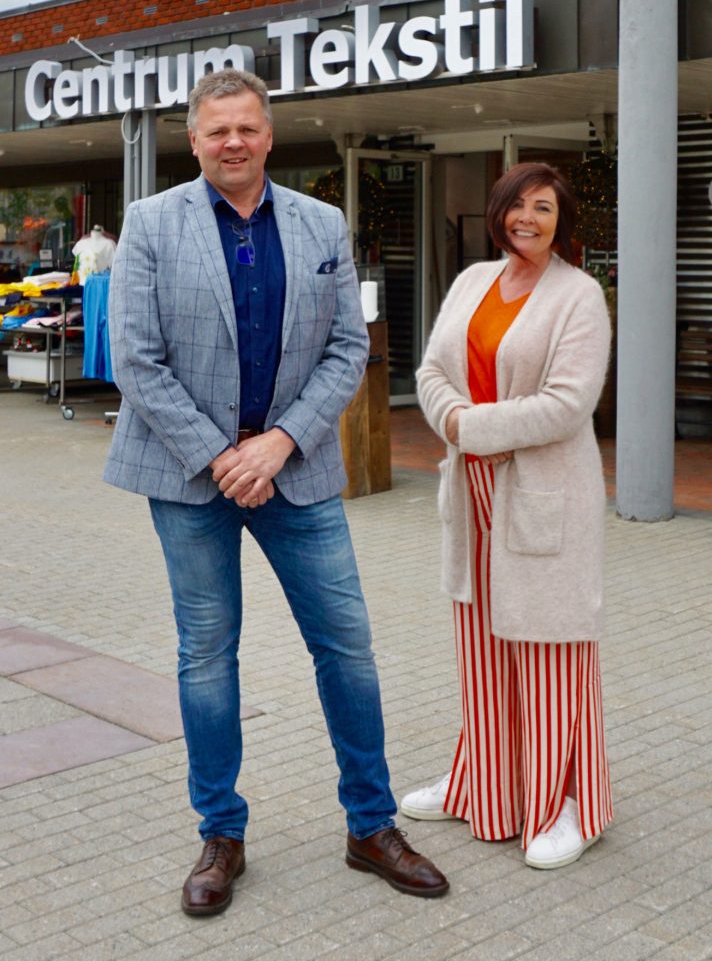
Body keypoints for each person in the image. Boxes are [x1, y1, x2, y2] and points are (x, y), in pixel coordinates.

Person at [104, 67, 448, 915]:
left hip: (297, 472)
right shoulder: (151, 222)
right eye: (217, 129)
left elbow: (347, 349)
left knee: (347, 648)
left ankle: (371, 826)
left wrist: (280, 442)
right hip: (189, 477)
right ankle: (220, 835)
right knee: (206, 655)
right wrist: (222, 456)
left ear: (269, 134)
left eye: (247, 128)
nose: (234, 142)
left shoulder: (320, 222)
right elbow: (136, 357)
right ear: (194, 139)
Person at [402, 162, 613, 869]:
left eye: (544, 207)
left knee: (551, 651)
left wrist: (470, 428)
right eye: (517, 205)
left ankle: (570, 805)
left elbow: (568, 404)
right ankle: (483, 783)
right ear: (497, 213)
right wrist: (453, 422)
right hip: (473, 494)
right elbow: (431, 372)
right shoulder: (471, 282)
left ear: (561, 221)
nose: (528, 218)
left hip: (543, 493)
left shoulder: (579, 296)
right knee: (483, 652)